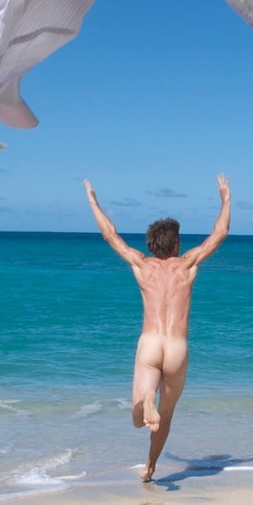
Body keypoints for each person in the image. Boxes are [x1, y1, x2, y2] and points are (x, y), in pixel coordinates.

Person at [84, 175, 231, 481]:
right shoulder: (188, 264)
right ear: (176, 244)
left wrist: (93, 201)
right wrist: (225, 198)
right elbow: (220, 233)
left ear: (151, 244)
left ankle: (147, 397)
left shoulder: (142, 264)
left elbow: (110, 235)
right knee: (167, 414)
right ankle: (150, 467)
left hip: (150, 344)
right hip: (177, 348)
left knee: (138, 419)